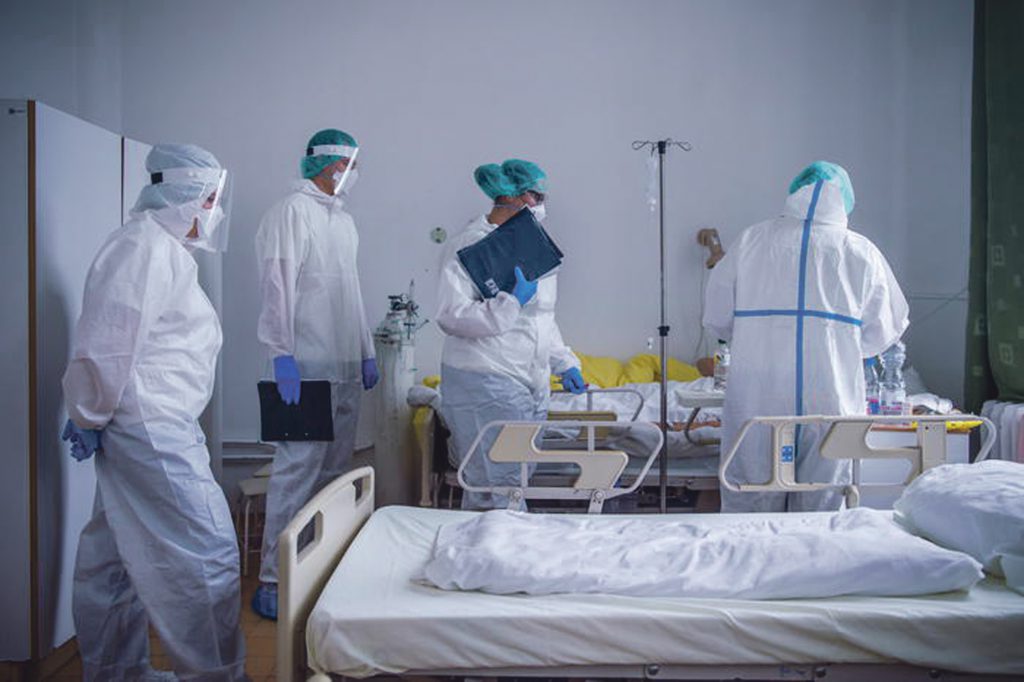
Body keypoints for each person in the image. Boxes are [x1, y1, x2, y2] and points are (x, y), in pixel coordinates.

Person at [60, 144, 246, 681]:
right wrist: (90, 414)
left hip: (146, 424)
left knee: (113, 557)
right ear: (184, 195)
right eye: (209, 198)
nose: (214, 211)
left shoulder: (163, 250)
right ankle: (217, 676)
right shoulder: (140, 248)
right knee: (207, 555)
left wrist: (95, 416)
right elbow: (107, 343)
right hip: (150, 430)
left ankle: (117, 673)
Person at [703, 161, 909, 513]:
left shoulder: (752, 240)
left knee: (749, 499)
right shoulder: (861, 252)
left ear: (795, 191)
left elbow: (717, 317)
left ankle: (751, 549)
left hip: (758, 394)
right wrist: (842, 344)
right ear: (846, 201)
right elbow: (884, 330)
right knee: (823, 503)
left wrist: (754, 335)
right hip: (831, 393)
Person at [252, 129, 378, 620]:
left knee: (335, 472)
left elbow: (352, 291)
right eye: (349, 166)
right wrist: (281, 353)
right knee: (295, 472)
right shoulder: (291, 212)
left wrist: (364, 351)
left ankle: (321, 568)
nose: (353, 175)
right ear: (329, 166)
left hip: (342, 363)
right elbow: (276, 287)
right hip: (303, 366)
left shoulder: (343, 221)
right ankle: (273, 577)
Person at [437, 159, 585, 511]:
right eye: (538, 197)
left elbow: (541, 318)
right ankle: (491, 544)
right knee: (496, 485)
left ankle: (498, 540)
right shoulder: (470, 245)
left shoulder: (532, 245)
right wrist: (509, 303)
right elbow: (452, 315)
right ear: (517, 197)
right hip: (485, 376)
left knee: (514, 480)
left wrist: (563, 361)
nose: (542, 205)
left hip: (527, 378)